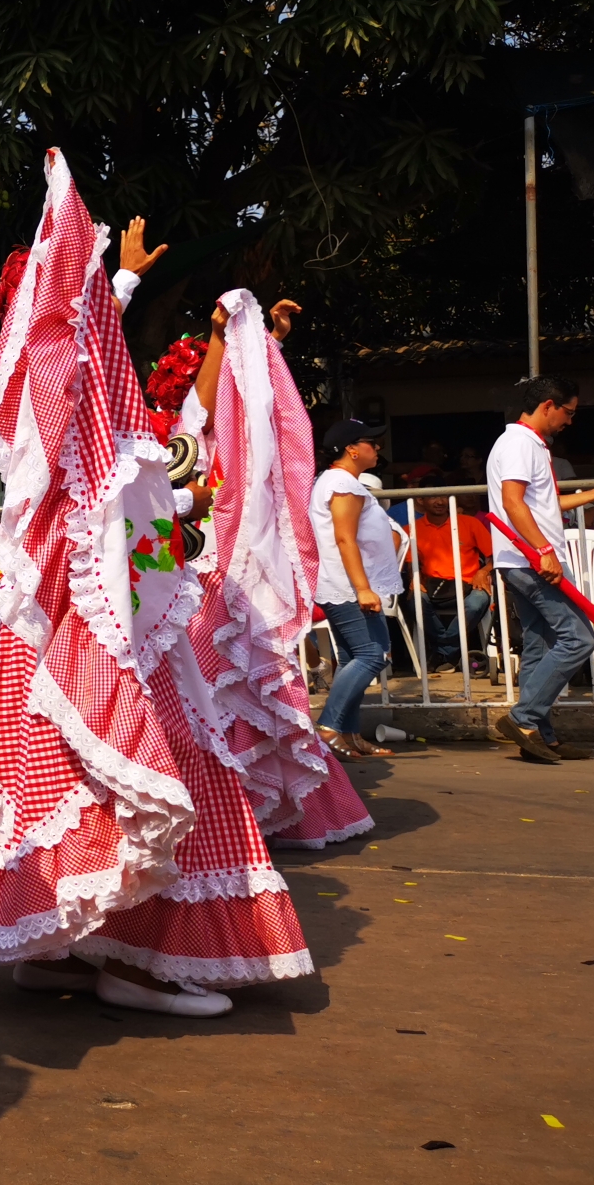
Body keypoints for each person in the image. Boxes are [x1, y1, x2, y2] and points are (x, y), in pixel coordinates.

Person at [0, 155, 311, 1019]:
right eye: (86, 289)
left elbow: (79, 353)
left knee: (64, 779)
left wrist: (120, 276)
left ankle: (61, 945)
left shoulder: (44, 408)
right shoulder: (77, 417)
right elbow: (86, 368)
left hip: (65, 632)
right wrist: (113, 280)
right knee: (160, 766)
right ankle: (135, 961)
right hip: (112, 623)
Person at [170, 290, 372, 850]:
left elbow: (232, 411)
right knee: (210, 689)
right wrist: (224, 340)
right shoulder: (175, 442)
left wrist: (257, 342)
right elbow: (203, 409)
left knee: (243, 681)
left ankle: (255, 812)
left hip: (225, 568)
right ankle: (220, 816)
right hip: (194, 572)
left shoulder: (224, 449)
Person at [486, 377, 594, 762]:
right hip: (530, 561)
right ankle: (523, 717)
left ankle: (539, 735)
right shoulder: (519, 443)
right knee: (579, 639)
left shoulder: (526, 444)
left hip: (527, 560)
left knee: (540, 646)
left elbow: (544, 506)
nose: (569, 421)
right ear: (549, 405)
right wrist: (545, 550)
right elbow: (513, 503)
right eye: (569, 412)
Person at [310, 421, 404, 759]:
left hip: (345, 583)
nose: (378, 448)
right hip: (346, 586)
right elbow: (344, 537)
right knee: (373, 655)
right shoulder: (341, 483)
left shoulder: (341, 482)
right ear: (352, 448)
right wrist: (363, 588)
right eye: (372, 442)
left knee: (353, 657)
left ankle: (348, 735)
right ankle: (329, 726)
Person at [410, 493, 494, 674]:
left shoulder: (469, 522)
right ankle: (450, 651)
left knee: (477, 602)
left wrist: (483, 571)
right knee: (415, 600)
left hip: (469, 584)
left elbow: (495, 556)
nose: (440, 501)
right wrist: (413, 579)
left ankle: (442, 652)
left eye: (444, 497)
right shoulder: (412, 528)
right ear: (421, 500)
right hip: (433, 586)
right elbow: (409, 564)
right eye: (433, 497)